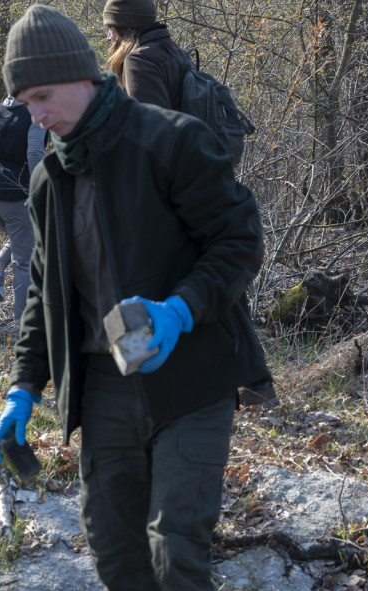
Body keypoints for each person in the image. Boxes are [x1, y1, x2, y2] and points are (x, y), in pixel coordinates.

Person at [0, 5, 271, 591]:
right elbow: (44, 296)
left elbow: (238, 241)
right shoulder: (46, 180)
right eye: (23, 104)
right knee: (116, 550)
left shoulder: (170, 141)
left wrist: (180, 309)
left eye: (41, 98)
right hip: (105, 383)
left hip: (193, 374)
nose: (34, 117)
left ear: (80, 78)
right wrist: (23, 387)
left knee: (175, 543)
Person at [103, 0, 278, 407]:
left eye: (110, 28)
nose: (107, 36)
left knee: (162, 282)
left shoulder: (140, 61)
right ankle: (254, 384)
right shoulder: (172, 52)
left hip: (172, 192)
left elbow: (154, 134)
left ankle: (151, 384)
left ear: (124, 27)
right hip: (200, 182)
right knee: (214, 285)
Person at [0, 96, 46, 320]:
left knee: (25, 234)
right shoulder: (36, 111)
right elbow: (34, 153)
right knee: (24, 262)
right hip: (16, 195)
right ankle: (21, 325)